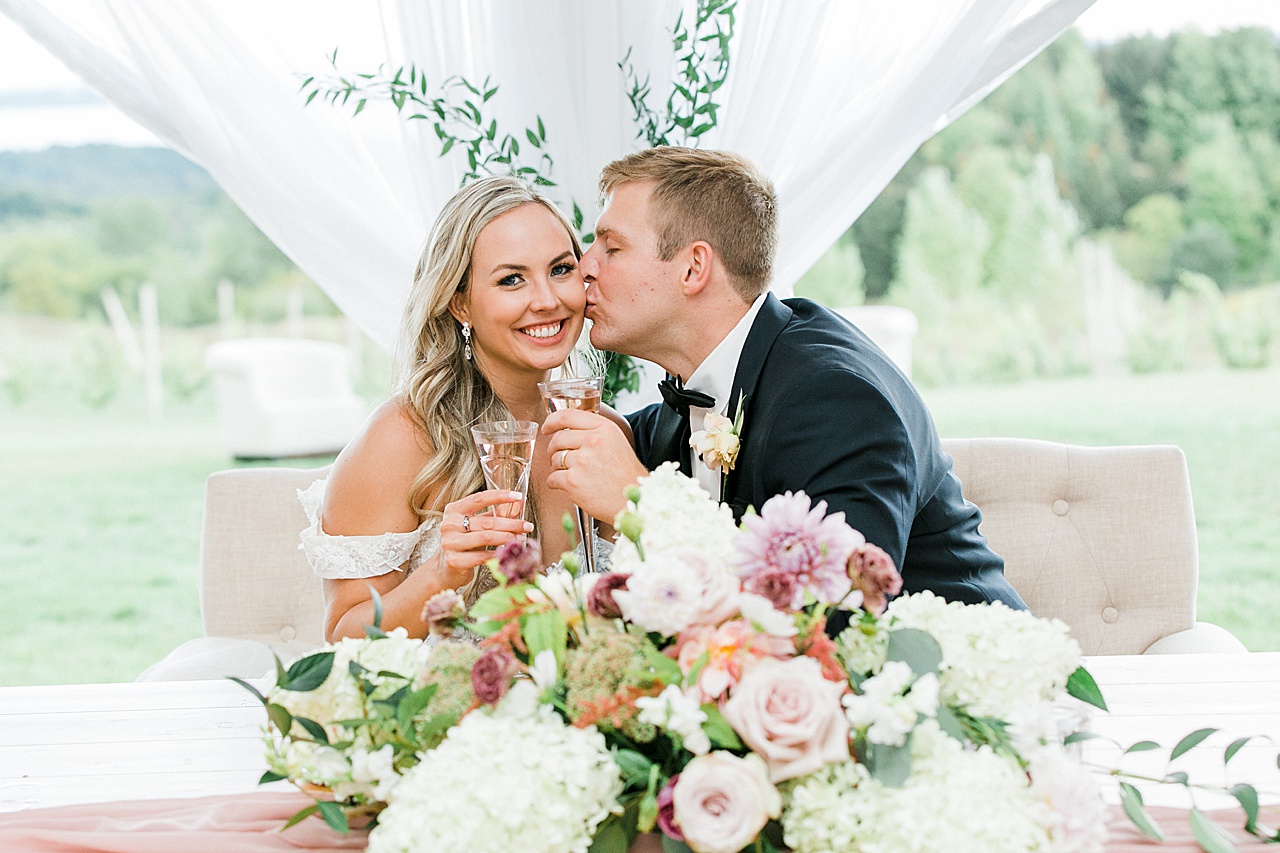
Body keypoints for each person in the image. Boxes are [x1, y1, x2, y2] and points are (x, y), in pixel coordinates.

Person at [543, 147, 1026, 624]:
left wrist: (640, 500)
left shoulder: (833, 397)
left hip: (968, 684)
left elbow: (834, 613)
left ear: (693, 268)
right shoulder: (694, 385)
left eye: (611, 246)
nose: (585, 267)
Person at [301, 175, 628, 641]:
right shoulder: (401, 439)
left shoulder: (604, 433)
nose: (548, 300)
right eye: (511, 279)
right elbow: (344, 638)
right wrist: (440, 574)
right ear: (461, 306)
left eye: (560, 269)